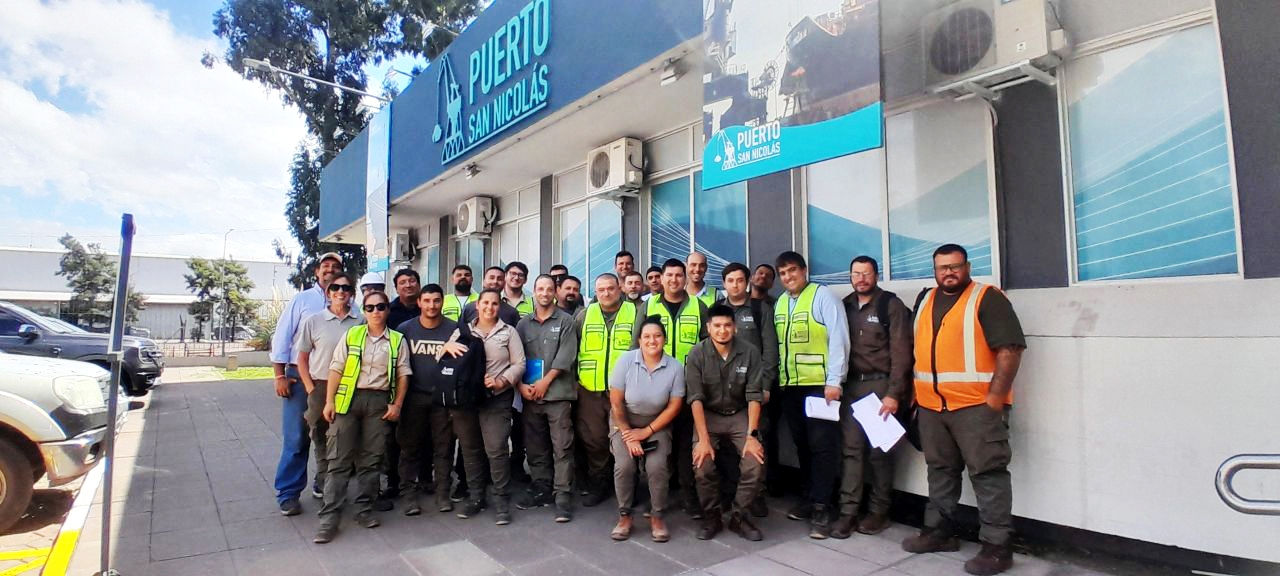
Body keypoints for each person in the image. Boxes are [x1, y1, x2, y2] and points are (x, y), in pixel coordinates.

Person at [902, 244, 1026, 576]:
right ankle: (939, 532)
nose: (949, 272)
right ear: (934, 270)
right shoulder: (925, 300)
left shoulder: (987, 298)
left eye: (955, 266)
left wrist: (995, 399)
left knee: (988, 474)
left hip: (976, 407)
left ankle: (997, 547)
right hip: (932, 407)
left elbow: (1010, 349)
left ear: (967, 267)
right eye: (942, 267)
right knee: (939, 470)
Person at [314, 290, 410, 543]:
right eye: (370, 307)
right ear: (364, 311)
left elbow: (403, 374)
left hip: (379, 402)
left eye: (380, 307)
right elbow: (336, 368)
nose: (375, 311)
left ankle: (364, 509)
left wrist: (397, 405)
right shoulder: (352, 334)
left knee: (371, 459)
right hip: (349, 400)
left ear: (387, 310)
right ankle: (329, 517)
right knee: (339, 459)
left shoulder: (397, 340)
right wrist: (330, 401)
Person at [832, 256, 913, 539]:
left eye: (866, 273)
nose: (861, 279)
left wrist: (894, 394)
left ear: (876, 275)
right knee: (851, 451)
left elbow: (902, 354)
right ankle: (848, 512)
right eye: (856, 274)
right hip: (852, 387)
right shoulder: (844, 306)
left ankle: (879, 512)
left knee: (880, 453)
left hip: (880, 387)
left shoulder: (890, 305)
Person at [773, 250, 850, 540]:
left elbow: (839, 339)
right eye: (783, 273)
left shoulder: (823, 296)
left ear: (804, 270)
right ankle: (809, 497)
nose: (788, 277)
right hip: (791, 387)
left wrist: (835, 381)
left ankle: (823, 507)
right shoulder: (781, 302)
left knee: (822, 447)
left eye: (792, 270)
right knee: (802, 445)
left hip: (820, 387)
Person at [633, 258, 708, 519]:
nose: (674, 280)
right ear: (661, 278)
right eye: (670, 275)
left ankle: (688, 496)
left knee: (685, 445)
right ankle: (656, 498)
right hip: (655, 388)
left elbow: (707, 347)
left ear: (685, 278)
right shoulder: (648, 305)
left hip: (688, 387)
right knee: (657, 445)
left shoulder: (698, 306)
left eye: (679, 275)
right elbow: (636, 345)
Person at [270, 251, 344, 516]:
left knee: (330, 436)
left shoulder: (350, 304)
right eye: (326, 266)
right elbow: (282, 337)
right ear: (317, 272)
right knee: (297, 437)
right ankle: (288, 493)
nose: (330, 270)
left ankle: (322, 484)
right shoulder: (302, 300)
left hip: (334, 382)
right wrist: (279, 375)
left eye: (335, 266)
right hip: (300, 380)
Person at [686, 304, 766, 542]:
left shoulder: (750, 352)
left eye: (727, 325)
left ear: (735, 327)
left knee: (754, 462)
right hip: (708, 415)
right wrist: (703, 440)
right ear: (708, 328)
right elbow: (695, 399)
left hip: (739, 414)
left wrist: (752, 436)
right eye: (717, 326)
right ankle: (712, 516)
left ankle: (739, 516)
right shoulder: (696, 354)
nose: (722, 330)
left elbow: (754, 396)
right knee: (702, 464)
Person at [395, 283, 470, 515]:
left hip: (442, 399)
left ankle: (442, 494)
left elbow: (462, 362)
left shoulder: (454, 328)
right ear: (419, 302)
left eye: (436, 300)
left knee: (444, 448)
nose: (431, 305)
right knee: (409, 448)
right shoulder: (405, 329)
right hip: (413, 398)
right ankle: (409, 495)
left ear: (442, 302)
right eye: (426, 301)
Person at [608, 317, 685, 543]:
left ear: (665, 339)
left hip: (657, 422)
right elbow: (616, 403)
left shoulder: (675, 367)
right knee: (624, 465)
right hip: (624, 421)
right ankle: (624, 516)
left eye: (657, 336)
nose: (652, 341)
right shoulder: (625, 361)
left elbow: (674, 406)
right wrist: (628, 435)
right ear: (639, 340)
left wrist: (647, 431)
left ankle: (657, 516)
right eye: (647, 337)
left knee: (657, 466)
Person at [515, 275, 580, 522]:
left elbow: (566, 356)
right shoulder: (523, 324)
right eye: (540, 288)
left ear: (555, 292)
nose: (544, 293)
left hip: (557, 395)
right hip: (530, 396)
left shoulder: (566, 321)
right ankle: (541, 486)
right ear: (534, 291)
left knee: (562, 446)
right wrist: (521, 385)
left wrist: (546, 381)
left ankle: (562, 495)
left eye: (549, 289)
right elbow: (516, 358)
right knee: (535, 446)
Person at [457, 289, 526, 525]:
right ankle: (476, 497)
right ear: (477, 305)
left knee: (496, 449)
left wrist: (502, 381)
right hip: (467, 401)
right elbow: (447, 360)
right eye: (485, 302)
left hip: (497, 398)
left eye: (494, 303)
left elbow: (519, 363)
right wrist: (446, 349)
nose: (489, 307)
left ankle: (501, 499)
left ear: (499, 306)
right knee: (470, 449)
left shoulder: (509, 332)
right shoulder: (463, 330)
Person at [717, 262, 779, 518]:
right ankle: (730, 493)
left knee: (756, 441)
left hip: (753, 389)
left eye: (740, 280)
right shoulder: (717, 310)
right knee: (727, 445)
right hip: (724, 391)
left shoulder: (759, 309)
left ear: (747, 282)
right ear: (724, 284)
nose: (735, 285)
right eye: (730, 280)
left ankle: (756, 495)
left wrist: (766, 385)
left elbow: (770, 350)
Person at [294, 272, 360, 504]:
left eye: (346, 288)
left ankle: (340, 483)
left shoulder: (360, 321)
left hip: (351, 387)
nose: (340, 292)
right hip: (320, 386)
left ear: (352, 293)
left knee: (345, 437)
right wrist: (310, 388)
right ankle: (322, 481)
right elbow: (302, 358)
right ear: (328, 292)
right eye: (335, 288)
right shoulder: (314, 321)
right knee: (320, 436)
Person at [574, 273, 637, 508]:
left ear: (619, 289)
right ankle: (600, 484)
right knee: (595, 440)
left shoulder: (635, 312)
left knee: (625, 438)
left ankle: (629, 487)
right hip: (590, 390)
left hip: (624, 391)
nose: (606, 293)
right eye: (601, 290)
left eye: (611, 288)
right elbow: (573, 350)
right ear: (595, 292)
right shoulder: (584, 315)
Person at [382, 268, 423, 506]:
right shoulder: (389, 312)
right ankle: (393, 481)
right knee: (392, 438)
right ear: (396, 287)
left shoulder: (426, 307)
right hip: (394, 381)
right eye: (403, 282)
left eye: (412, 281)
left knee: (421, 436)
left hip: (421, 383)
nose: (408, 285)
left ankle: (423, 479)